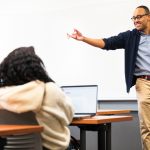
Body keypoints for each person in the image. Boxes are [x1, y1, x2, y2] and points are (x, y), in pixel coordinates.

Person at [68, 5, 150, 150]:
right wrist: (84, 38)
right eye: (133, 18)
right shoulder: (130, 37)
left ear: (148, 17)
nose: (135, 20)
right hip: (144, 82)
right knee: (147, 127)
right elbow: (107, 43)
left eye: (139, 17)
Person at [0, 46, 74, 150]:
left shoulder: (3, 94)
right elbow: (68, 118)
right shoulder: (49, 89)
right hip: (52, 147)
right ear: (37, 67)